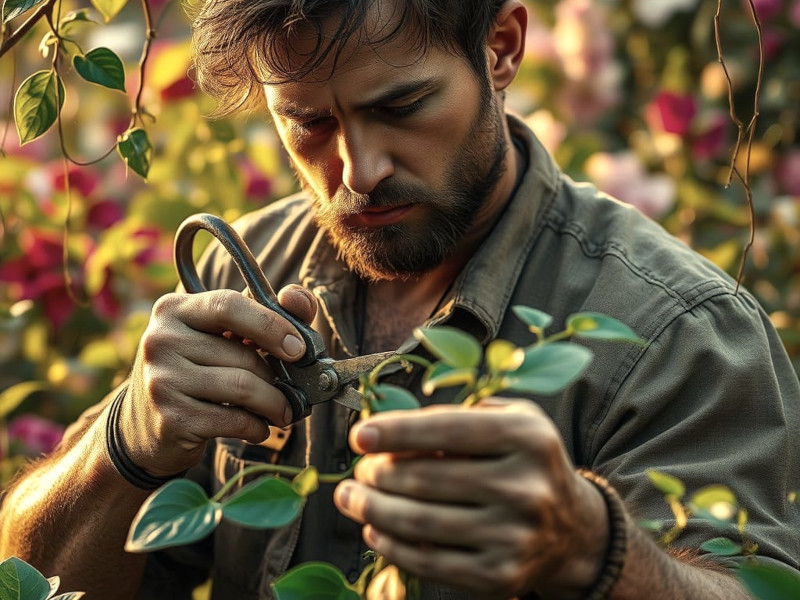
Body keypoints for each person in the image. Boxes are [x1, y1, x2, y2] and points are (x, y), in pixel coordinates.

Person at [1, 1, 798, 599]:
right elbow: (29, 576)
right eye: (308, 121)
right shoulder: (250, 271)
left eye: (401, 106)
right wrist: (126, 446)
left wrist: (598, 551)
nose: (357, 171)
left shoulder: (676, 331)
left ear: (501, 48)